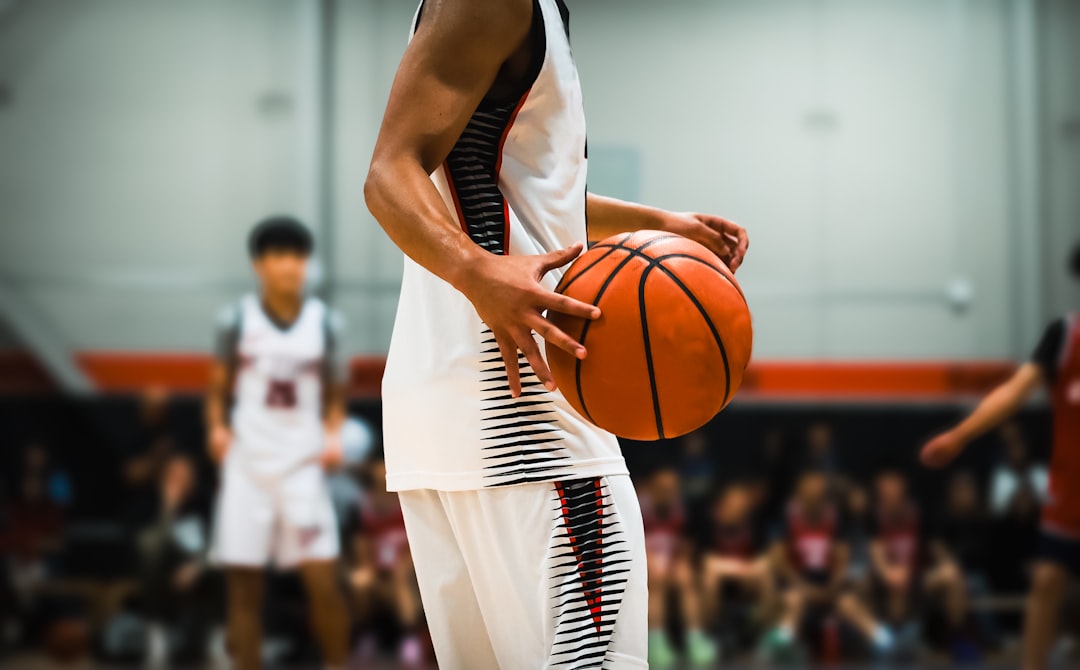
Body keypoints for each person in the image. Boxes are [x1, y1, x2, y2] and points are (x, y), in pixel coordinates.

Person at [363, 1, 749, 668]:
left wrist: (659, 221)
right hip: (528, 409)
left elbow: (516, 188)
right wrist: (478, 274)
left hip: (443, 417)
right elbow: (389, 174)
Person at [921, 240, 1080, 670]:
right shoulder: (1065, 336)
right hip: (1070, 492)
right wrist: (960, 435)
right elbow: (1014, 391)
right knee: (1046, 582)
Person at [205, 217, 350, 670]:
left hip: (303, 466)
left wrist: (332, 433)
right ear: (259, 264)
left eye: (298, 256)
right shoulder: (235, 320)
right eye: (280, 256)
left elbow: (336, 395)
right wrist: (216, 427)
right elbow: (217, 389)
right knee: (244, 588)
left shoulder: (326, 322)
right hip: (247, 464)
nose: (290, 266)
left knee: (324, 581)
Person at [764, 470, 893, 660]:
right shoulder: (785, 516)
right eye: (809, 489)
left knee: (848, 603)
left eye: (819, 490)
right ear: (799, 491)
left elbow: (843, 559)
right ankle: (781, 645)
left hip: (829, 585)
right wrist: (802, 586)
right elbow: (780, 561)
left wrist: (832, 586)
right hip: (798, 583)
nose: (814, 494)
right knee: (794, 602)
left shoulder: (835, 516)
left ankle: (884, 641)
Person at [868, 470, 967, 656]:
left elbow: (936, 547)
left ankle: (958, 638)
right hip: (888, 582)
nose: (888, 491)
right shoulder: (874, 516)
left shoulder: (920, 512)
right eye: (884, 487)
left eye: (893, 485)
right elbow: (877, 553)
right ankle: (897, 642)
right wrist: (889, 573)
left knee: (952, 574)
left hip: (918, 578)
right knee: (895, 582)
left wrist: (947, 562)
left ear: (903, 486)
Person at [346, 459, 423, 667]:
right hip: (378, 563)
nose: (382, 470)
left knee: (400, 582)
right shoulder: (363, 504)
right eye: (378, 465)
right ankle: (367, 633)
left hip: (408, 564)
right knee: (360, 581)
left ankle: (410, 636)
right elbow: (361, 542)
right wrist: (367, 567)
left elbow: (420, 538)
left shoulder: (409, 499)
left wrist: (405, 565)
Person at [637, 469, 714, 668]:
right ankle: (656, 641)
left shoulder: (681, 508)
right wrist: (651, 560)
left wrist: (679, 561)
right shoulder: (639, 506)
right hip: (645, 564)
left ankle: (695, 637)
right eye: (663, 488)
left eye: (673, 489)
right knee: (657, 575)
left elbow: (685, 544)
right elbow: (633, 543)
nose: (668, 493)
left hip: (670, 562)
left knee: (685, 576)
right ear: (652, 488)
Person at [701, 482, 774, 656]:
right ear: (723, 504)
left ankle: (760, 633)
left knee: (766, 575)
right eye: (734, 504)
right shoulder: (709, 525)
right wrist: (740, 568)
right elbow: (707, 562)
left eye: (743, 505)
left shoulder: (754, 524)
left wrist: (749, 568)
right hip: (719, 581)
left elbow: (763, 560)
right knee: (711, 576)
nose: (739, 508)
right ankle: (710, 634)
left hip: (745, 581)